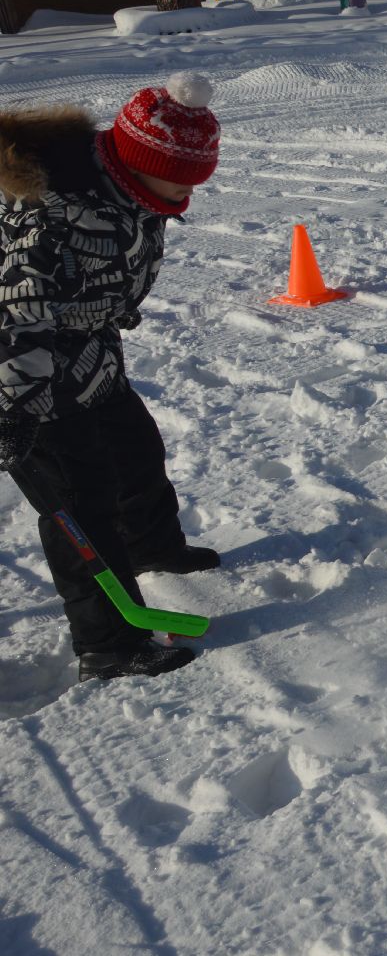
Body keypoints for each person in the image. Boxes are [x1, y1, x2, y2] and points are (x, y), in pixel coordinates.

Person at [0, 73, 223, 681]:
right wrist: (15, 408)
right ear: (137, 160)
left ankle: (153, 547)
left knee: (134, 451)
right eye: (178, 177)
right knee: (78, 502)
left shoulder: (137, 189)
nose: (186, 192)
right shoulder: (46, 213)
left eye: (195, 178)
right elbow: (16, 314)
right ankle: (108, 642)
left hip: (86, 354)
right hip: (24, 366)